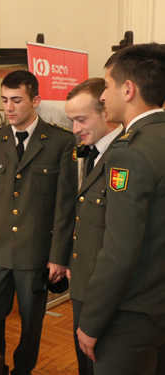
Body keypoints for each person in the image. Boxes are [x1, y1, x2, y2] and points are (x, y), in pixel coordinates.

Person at [0, 70, 77, 375]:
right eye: (4, 100)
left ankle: (22, 372)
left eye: (16, 100)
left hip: (35, 255)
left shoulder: (60, 142)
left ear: (35, 100)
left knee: (31, 327)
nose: (9, 108)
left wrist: (58, 256)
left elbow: (65, 207)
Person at [77, 43, 165, 375]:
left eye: (108, 85)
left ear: (128, 89)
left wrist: (92, 321)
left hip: (130, 317)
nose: (103, 96)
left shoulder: (129, 152)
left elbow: (119, 250)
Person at [64, 78, 124, 375]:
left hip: (105, 292)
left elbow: (119, 242)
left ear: (105, 112)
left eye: (81, 119)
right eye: (71, 121)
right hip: (83, 282)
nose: (75, 129)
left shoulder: (124, 157)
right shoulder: (94, 154)